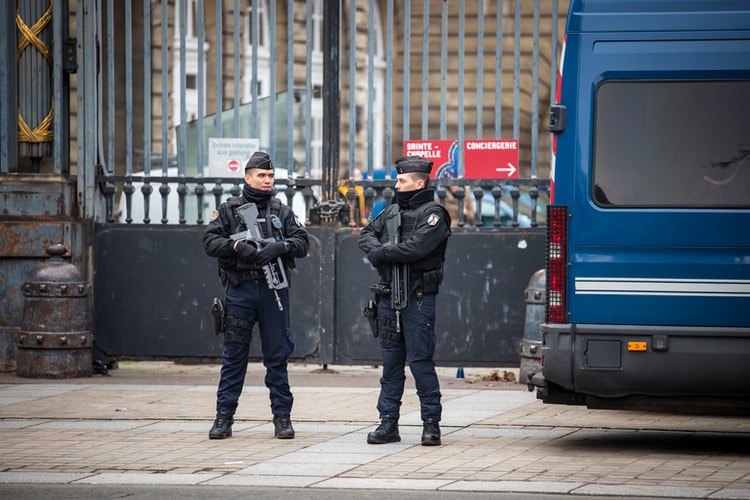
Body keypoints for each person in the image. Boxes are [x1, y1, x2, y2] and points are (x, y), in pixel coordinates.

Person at [202, 151, 309, 440]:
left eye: (271, 176)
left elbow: (302, 242)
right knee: (234, 357)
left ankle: (282, 418)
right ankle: (224, 418)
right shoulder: (228, 209)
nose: (267, 180)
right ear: (247, 177)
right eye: (261, 175)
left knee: (277, 355)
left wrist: (280, 247)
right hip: (241, 290)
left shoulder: (281, 210)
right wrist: (237, 248)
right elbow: (210, 241)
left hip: (274, 290)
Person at [358, 155, 452, 446]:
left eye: (402, 180)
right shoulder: (390, 211)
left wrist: (382, 254)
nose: (396, 184)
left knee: (421, 361)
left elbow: (417, 247)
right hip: (388, 295)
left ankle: (431, 424)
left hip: (418, 296)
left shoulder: (434, 213)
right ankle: (388, 423)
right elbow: (365, 235)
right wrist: (378, 250)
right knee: (391, 364)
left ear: (419, 182)